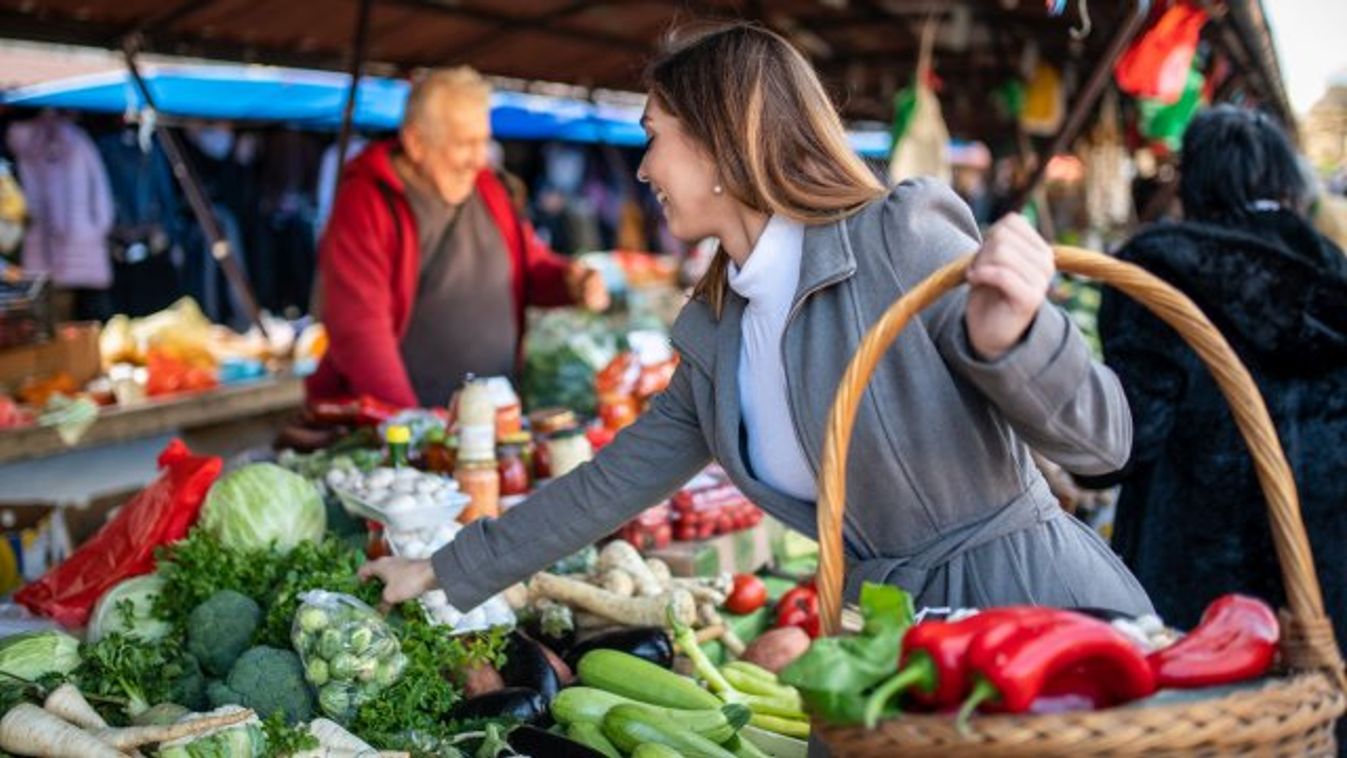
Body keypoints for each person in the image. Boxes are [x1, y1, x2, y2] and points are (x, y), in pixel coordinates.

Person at [361, 24, 1152, 620]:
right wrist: (442, 569)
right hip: (888, 637)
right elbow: (610, 482)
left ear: (718, 142)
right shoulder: (717, 333)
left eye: (653, 140)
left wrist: (1011, 341)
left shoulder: (894, 238)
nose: (641, 170)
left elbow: (1101, 443)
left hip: (1035, 616)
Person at [1086, 105, 1347, 639]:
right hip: (1319, 584)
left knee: (1198, 718)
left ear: (1192, 181)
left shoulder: (1157, 273)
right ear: (1285, 180)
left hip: (1191, 587)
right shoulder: (1332, 271)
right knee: (1308, 716)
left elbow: (1123, 440)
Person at [307, 67, 610, 408]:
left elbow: (528, 266)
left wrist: (570, 281)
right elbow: (360, 331)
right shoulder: (366, 202)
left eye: (484, 141)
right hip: (411, 427)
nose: (479, 159)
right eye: (465, 144)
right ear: (416, 142)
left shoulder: (488, 188)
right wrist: (413, 426)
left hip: (494, 416)